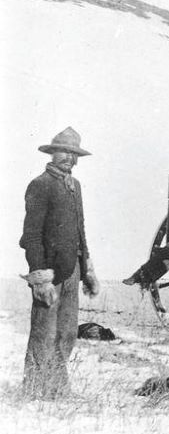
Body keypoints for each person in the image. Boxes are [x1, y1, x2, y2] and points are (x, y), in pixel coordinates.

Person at [20, 127, 100, 398]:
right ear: (52, 153)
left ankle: (56, 389)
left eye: (73, 153)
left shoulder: (74, 186)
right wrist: (39, 276)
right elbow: (31, 236)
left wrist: (87, 267)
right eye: (64, 152)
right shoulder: (40, 184)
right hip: (50, 272)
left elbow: (81, 229)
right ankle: (33, 391)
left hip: (73, 270)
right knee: (43, 334)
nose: (68, 157)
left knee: (67, 334)